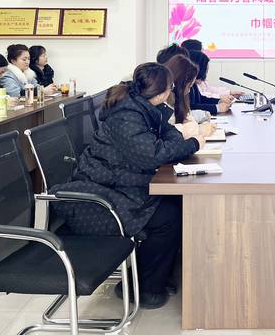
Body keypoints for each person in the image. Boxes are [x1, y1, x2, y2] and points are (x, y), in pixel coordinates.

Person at [48, 62, 204, 309]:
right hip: (96, 197)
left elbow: (170, 135)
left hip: (118, 184)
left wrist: (180, 142)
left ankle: (155, 275)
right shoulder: (127, 115)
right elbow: (153, 155)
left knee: (174, 205)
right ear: (161, 92)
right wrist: (193, 143)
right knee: (168, 217)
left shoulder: (145, 108)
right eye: (170, 88)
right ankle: (145, 287)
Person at [163, 55, 216, 140]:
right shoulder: (163, 101)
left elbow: (186, 117)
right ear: (180, 83)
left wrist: (202, 117)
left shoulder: (176, 98)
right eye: (189, 86)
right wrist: (198, 130)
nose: (189, 91)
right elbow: (169, 131)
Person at [186, 50, 233, 114]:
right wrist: (217, 108)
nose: (205, 76)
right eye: (205, 71)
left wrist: (219, 101)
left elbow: (201, 99)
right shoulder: (186, 85)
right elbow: (191, 107)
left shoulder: (193, 84)